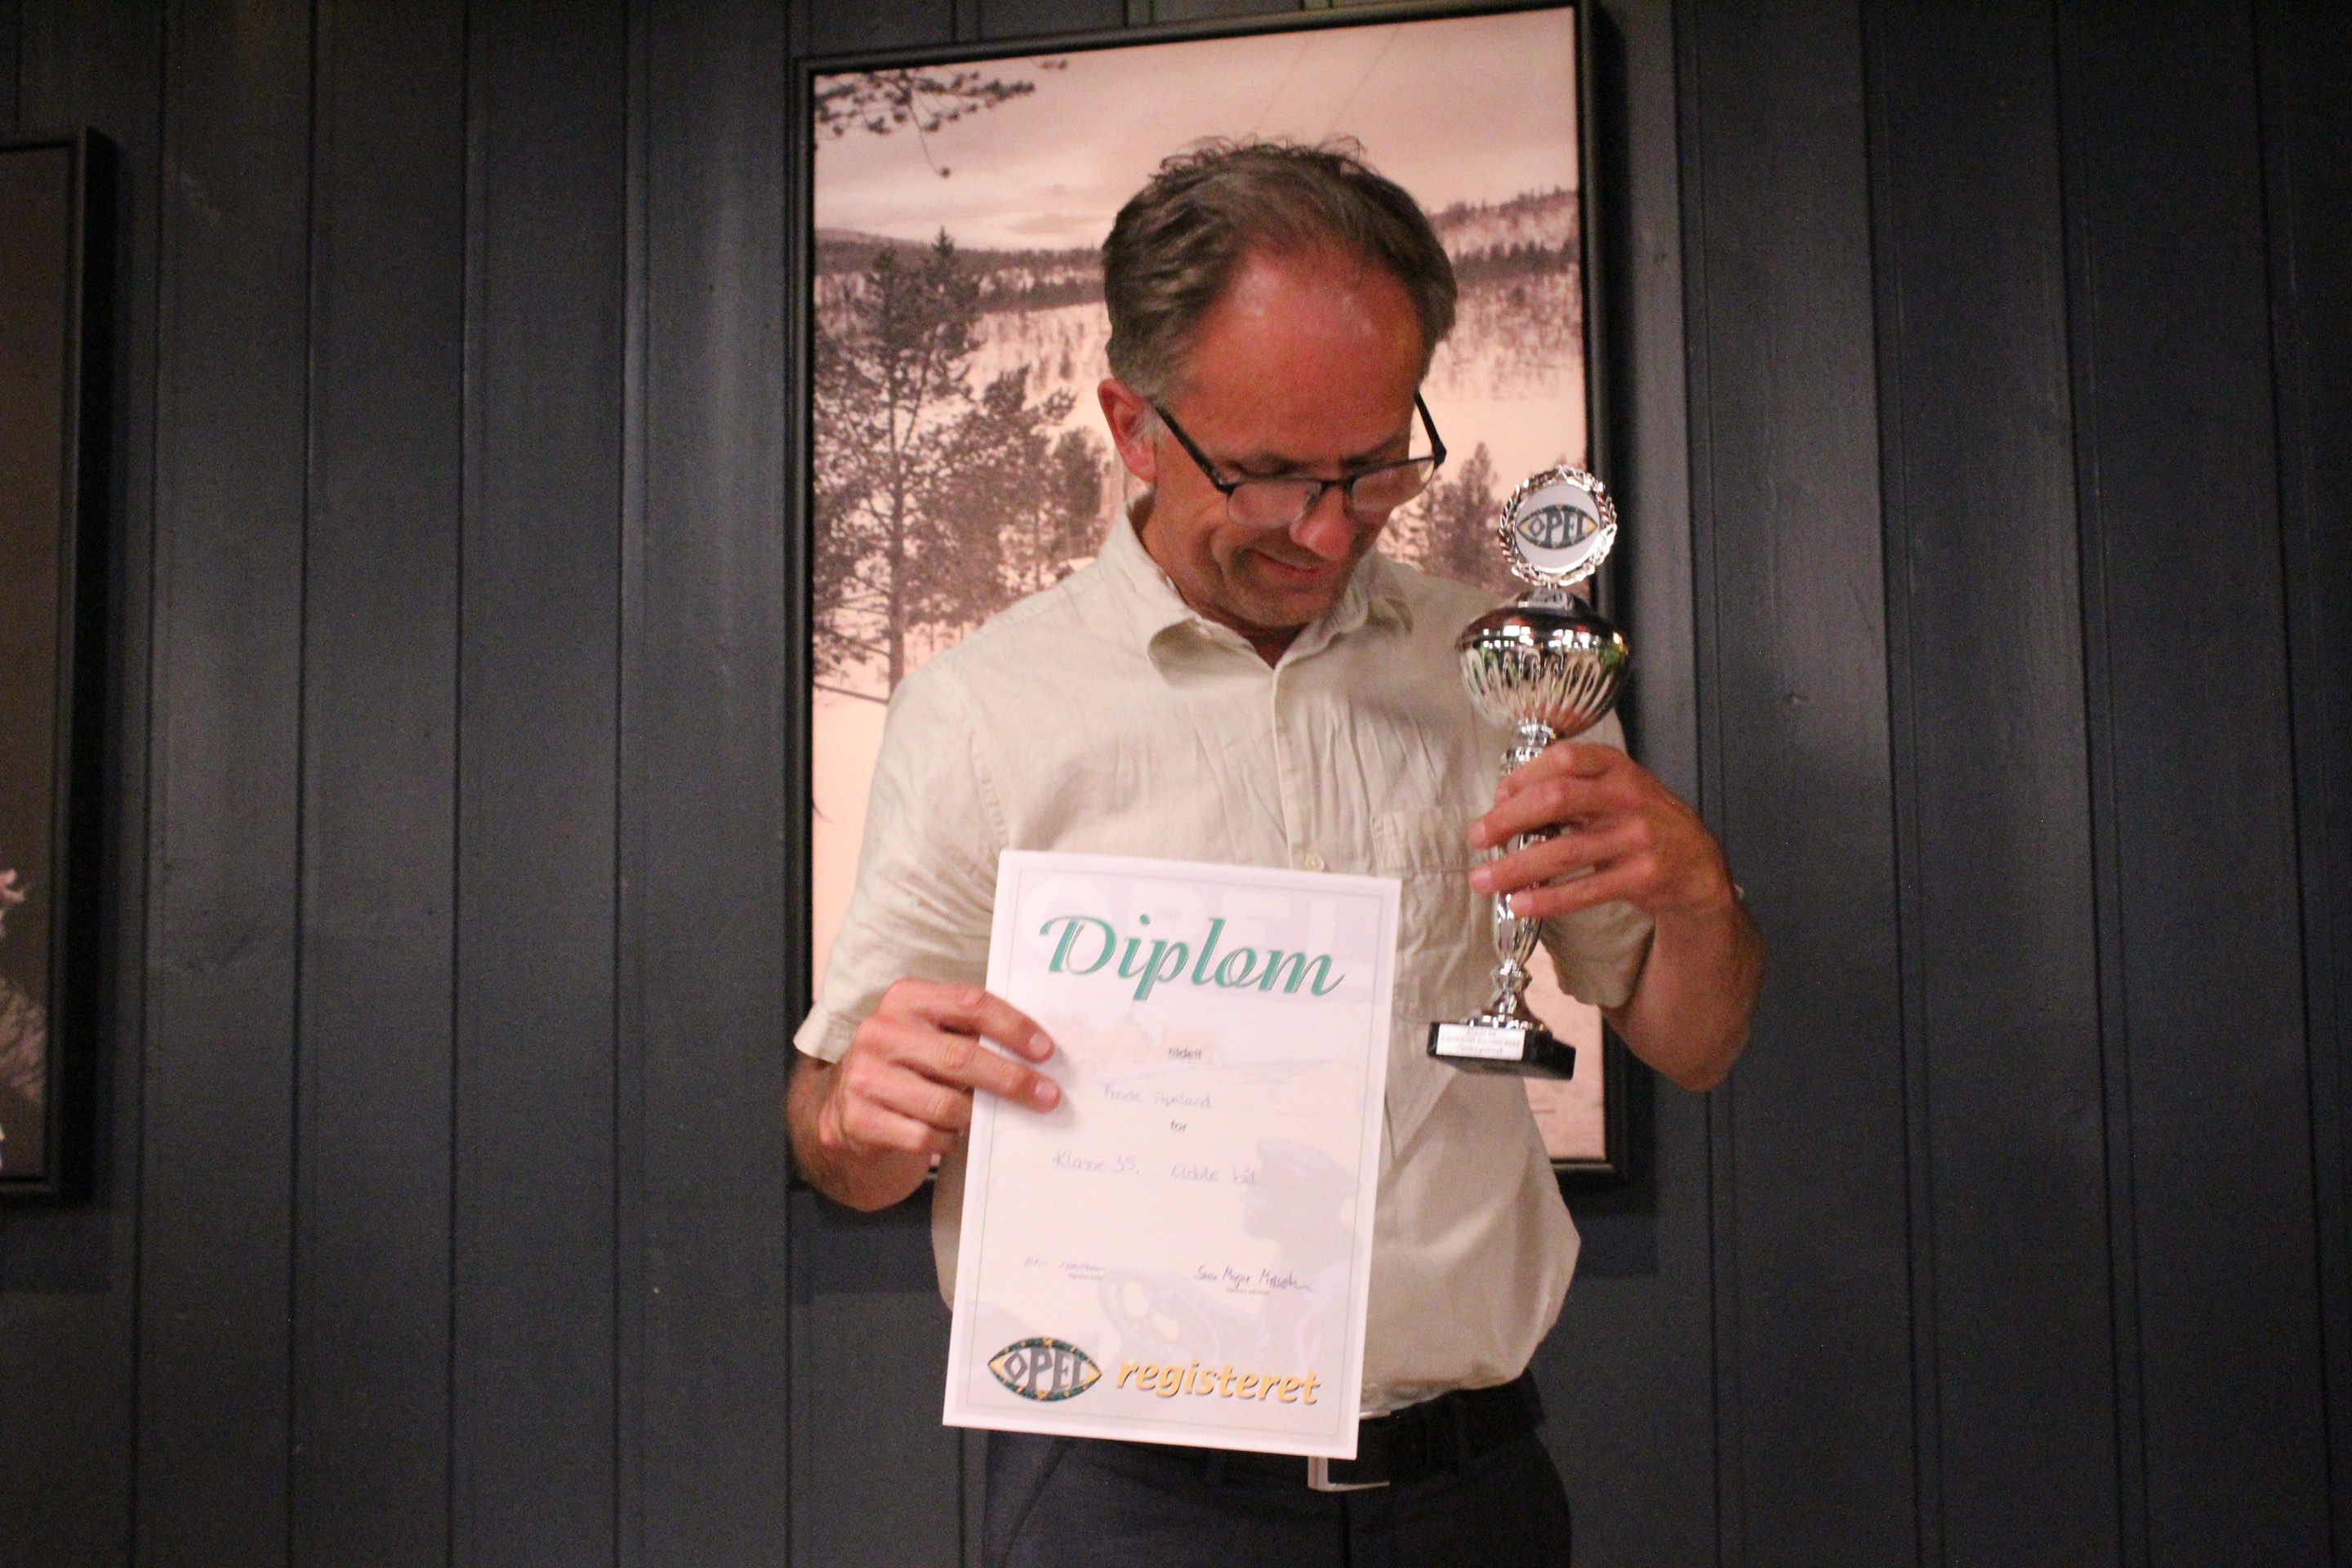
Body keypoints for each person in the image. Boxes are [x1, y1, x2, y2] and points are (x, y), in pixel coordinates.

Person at [788, 140, 1762, 1567]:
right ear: (1133, 426)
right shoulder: (981, 714)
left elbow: (1696, 1042)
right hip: (1126, 1505)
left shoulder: (1498, 670)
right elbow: (844, 1150)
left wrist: (1699, 893)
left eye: (1373, 469)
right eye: (1270, 474)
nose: (1327, 527)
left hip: (1469, 1492)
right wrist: (857, 1117)